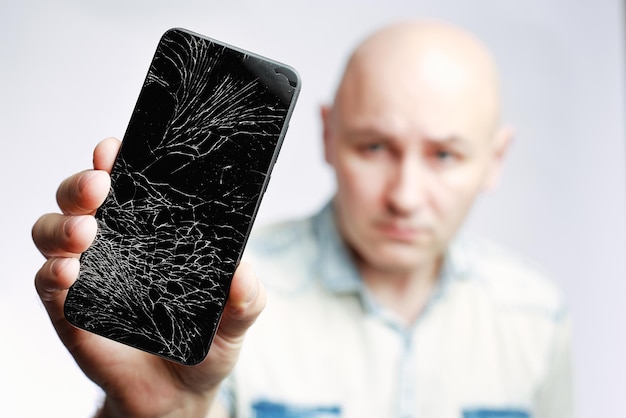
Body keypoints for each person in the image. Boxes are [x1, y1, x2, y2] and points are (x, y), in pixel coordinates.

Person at [32, 20, 572, 418]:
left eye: (445, 156)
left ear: (495, 159)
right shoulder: (225, 298)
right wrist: (162, 412)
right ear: (328, 135)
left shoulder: (537, 317)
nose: (405, 196)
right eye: (375, 146)